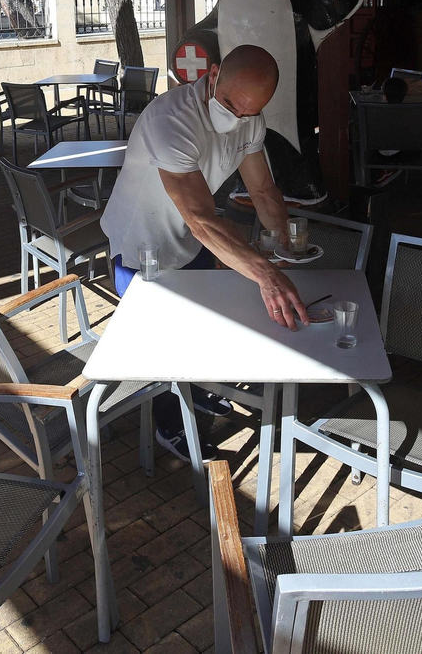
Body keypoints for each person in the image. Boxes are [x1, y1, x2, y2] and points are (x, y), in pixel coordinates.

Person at [100, 44, 308, 461]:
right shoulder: (171, 120)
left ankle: (193, 395)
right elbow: (200, 217)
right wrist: (266, 274)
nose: (238, 117)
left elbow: (263, 190)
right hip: (141, 245)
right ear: (212, 75)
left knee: (197, 330)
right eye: (231, 103)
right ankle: (170, 427)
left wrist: (287, 244)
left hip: (189, 238)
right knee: (163, 340)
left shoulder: (251, 120)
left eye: (250, 111)